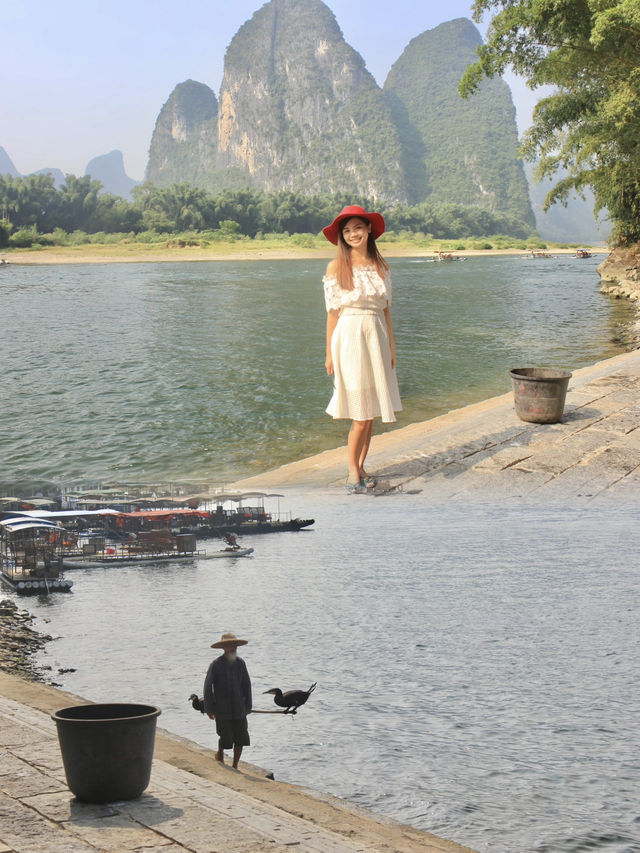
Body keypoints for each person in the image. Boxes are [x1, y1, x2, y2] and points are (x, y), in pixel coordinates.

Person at [322, 204, 402, 493]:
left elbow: (387, 311)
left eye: (357, 228)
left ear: (369, 229)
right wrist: (329, 354)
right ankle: (352, 472)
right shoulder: (336, 267)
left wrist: (391, 348)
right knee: (359, 413)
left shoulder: (382, 267)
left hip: (376, 336)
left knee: (370, 413)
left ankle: (363, 466)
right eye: (347, 230)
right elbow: (333, 314)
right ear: (342, 237)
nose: (353, 234)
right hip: (349, 338)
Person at [203, 632, 252, 768]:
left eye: (235, 645)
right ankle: (220, 753)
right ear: (224, 647)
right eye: (230, 645)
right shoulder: (216, 665)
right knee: (225, 738)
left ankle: (235, 765)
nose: (233, 647)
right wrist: (209, 709)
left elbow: (246, 685)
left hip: (239, 708)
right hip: (222, 709)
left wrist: (248, 705)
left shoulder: (241, 664)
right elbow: (208, 687)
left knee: (241, 738)